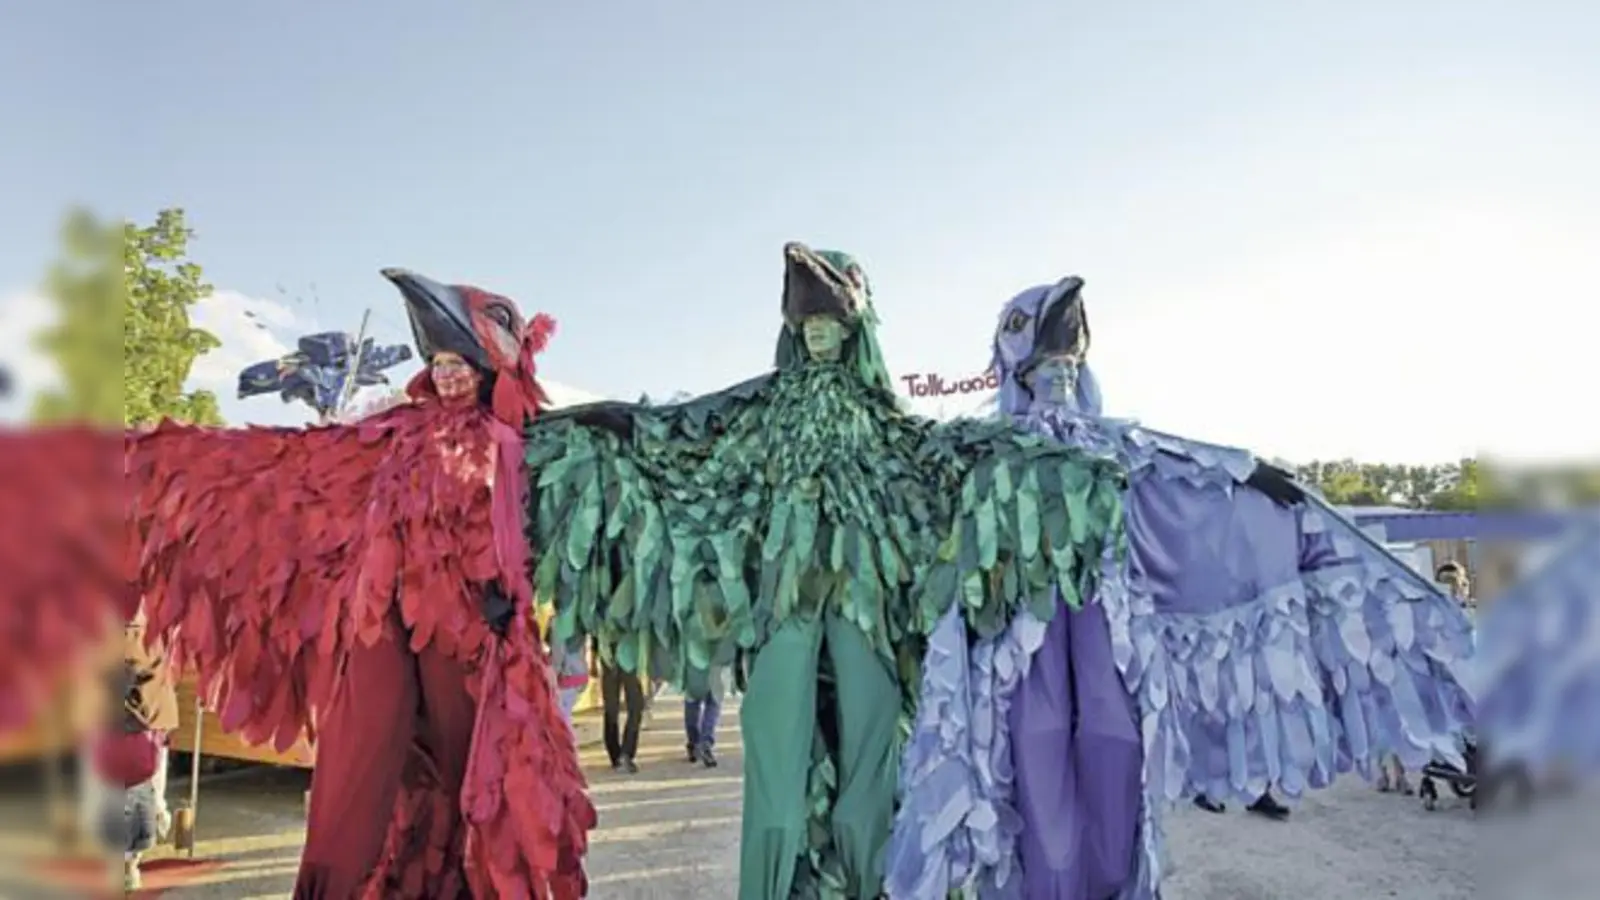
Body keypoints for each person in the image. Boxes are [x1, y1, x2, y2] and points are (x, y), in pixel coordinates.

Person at [128, 269, 597, 897]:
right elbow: (294, 465)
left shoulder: (526, 445)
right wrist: (160, 461)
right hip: (383, 622)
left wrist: (506, 593)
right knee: (355, 776)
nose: (449, 372)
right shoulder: (394, 430)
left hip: (475, 639)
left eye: (461, 361)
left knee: (482, 783)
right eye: (440, 360)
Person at [598, 636, 646, 774]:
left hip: (607, 652)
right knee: (635, 705)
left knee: (611, 706)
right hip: (627, 650)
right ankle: (625, 754)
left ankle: (615, 754)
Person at [683, 662, 727, 768]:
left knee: (693, 701)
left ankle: (694, 743)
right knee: (713, 703)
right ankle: (705, 743)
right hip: (715, 661)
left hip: (694, 661)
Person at [550, 632, 590, 738]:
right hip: (580, 673)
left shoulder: (559, 626)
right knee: (566, 715)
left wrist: (552, 676)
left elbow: (558, 656)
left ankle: (567, 747)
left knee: (563, 718)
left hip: (566, 676)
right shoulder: (578, 620)